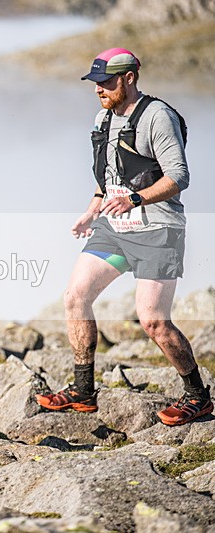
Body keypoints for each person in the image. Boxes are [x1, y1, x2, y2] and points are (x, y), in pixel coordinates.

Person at [36, 48, 212, 426]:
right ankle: (83, 391)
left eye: (106, 82)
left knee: (153, 322)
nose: (99, 89)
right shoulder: (102, 119)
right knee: (75, 297)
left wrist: (135, 199)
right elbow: (107, 180)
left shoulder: (157, 117)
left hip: (157, 229)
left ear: (129, 77)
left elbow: (178, 176)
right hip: (114, 229)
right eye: (95, 83)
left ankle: (198, 396)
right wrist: (93, 208)